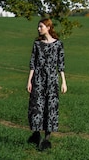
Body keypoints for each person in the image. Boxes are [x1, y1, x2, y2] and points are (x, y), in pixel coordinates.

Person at [26, 18, 67, 151]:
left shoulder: (58, 44)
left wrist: (63, 82)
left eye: (41, 26)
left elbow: (61, 64)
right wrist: (29, 81)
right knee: (36, 108)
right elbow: (33, 63)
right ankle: (36, 134)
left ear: (48, 27)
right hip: (38, 79)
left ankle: (46, 140)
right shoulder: (37, 44)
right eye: (38, 27)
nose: (39, 29)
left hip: (52, 81)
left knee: (51, 107)